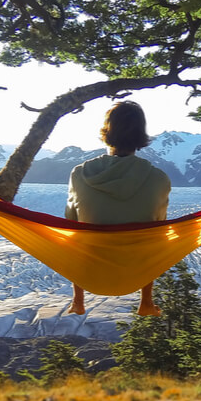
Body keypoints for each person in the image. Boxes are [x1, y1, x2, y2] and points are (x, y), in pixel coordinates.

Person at [65, 101, 171, 316]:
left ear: (107, 131)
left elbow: (71, 224)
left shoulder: (79, 174)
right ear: (141, 135)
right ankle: (146, 302)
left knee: (74, 235)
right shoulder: (160, 179)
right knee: (154, 238)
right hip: (137, 271)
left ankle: (78, 300)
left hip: (91, 272)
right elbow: (158, 231)